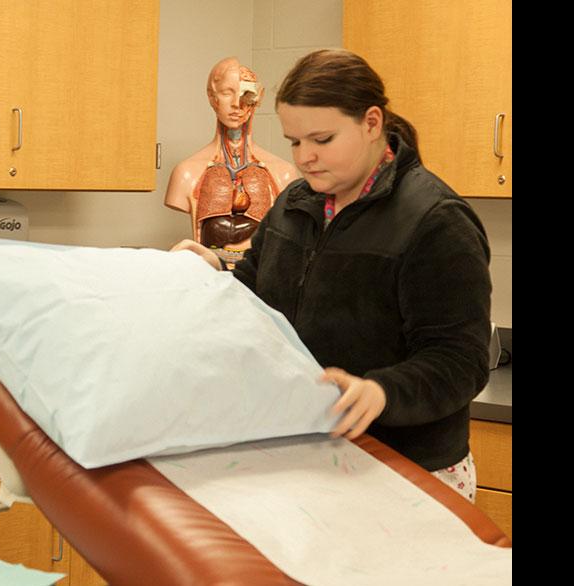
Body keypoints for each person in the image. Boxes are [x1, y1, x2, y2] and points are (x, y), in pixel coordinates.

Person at [172, 49, 492, 502]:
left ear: (372, 122)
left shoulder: (436, 221)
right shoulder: (296, 204)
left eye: (322, 139)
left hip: (407, 472)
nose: (306, 157)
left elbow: (461, 361)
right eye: (294, 141)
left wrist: (381, 392)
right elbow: (257, 293)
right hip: (310, 458)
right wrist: (215, 270)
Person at [164, 57, 299, 269]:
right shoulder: (187, 173)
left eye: (246, 94)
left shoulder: (283, 174)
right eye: (228, 92)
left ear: (258, 98)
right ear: (212, 96)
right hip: (209, 280)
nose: (237, 104)